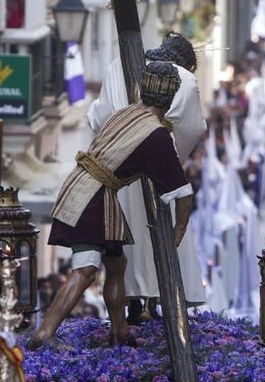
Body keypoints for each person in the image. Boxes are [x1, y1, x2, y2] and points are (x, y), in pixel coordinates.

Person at [29, 60, 194, 349]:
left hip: (90, 188)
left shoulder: (128, 112)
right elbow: (182, 192)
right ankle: (45, 332)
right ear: (171, 99)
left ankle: (120, 331)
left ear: (143, 89)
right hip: (92, 194)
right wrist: (179, 229)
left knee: (116, 263)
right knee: (86, 269)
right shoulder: (156, 135)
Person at [86, 33, 207, 308]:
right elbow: (193, 129)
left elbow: (99, 117)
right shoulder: (185, 79)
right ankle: (157, 303)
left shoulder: (118, 65)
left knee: (126, 249)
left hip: (120, 170)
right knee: (162, 241)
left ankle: (133, 310)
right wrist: (175, 157)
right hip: (160, 165)